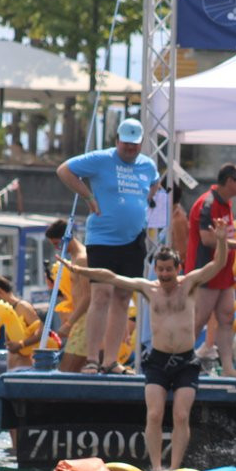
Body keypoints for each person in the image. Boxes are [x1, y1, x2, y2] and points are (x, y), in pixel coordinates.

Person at [57, 225, 229, 471]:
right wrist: (78, 269)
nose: (165, 275)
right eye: (161, 270)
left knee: (181, 415)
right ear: (155, 270)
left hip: (185, 362)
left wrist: (221, 242)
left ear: (178, 269)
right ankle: (157, 468)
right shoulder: (149, 288)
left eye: (169, 269)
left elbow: (217, 266)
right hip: (158, 361)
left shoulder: (189, 284)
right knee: (154, 414)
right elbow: (110, 276)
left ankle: (175, 468)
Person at [56, 118, 160, 375]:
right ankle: (92, 358)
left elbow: (156, 181)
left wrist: (145, 202)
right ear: (117, 141)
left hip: (133, 240)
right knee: (101, 295)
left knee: (123, 298)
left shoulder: (147, 165)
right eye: (126, 144)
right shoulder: (101, 159)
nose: (130, 149)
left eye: (135, 145)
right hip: (103, 239)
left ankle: (110, 360)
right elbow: (64, 170)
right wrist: (89, 196)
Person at [186, 163, 236, 378]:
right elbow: (207, 238)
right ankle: (181, 363)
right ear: (230, 181)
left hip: (223, 272)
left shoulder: (226, 203)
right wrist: (235, 245)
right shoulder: (208, 203)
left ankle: (228, 368)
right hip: (207, 271)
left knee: (227, 317)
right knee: (199, 318)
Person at [45, 219, 92, 373]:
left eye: (57, 244)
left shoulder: (82, 259)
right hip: (79, 320)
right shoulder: (73, 258)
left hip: (85, 321)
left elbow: (88, 296)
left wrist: (68, 324)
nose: (58, 249)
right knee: (77, 370)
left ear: (67, 237)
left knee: (67, 370)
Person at [0, 274, 41, 370]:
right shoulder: (6, 313)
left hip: (25, 368)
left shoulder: (23, 307)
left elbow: (41, 332)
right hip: (12, 369)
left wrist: (21, 344)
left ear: (0, 291)